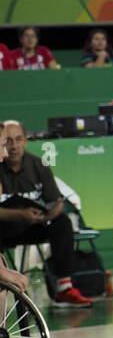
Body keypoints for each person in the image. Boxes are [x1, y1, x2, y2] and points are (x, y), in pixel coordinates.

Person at [0, 121, 93, 307]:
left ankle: (64, 287)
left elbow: (56, 202)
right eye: (7, 141)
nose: (13, 146)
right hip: (5, 227)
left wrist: (45, 217)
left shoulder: (38, 164)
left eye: (18, 139)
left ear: (26, 140)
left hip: (33, 224)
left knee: (62, 222)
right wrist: (19, 214)